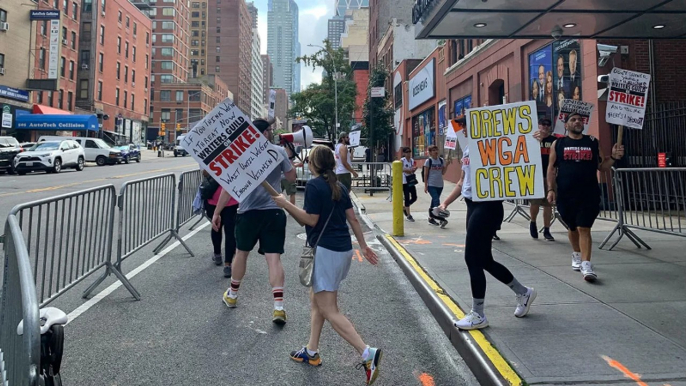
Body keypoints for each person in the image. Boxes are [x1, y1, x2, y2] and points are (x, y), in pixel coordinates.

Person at [273, 146, 383, 385]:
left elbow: (310, 219)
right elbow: (352, 218)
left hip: (325, 252)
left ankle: (367, 353)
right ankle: (311, 351)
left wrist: (285, 203)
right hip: (342, 250)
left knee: (330, 309)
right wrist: (363, 246)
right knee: (317, 301)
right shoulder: (340, 186)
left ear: (313, 163)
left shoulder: (314, 186)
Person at [438, 117, 536, 330]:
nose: (462, 129)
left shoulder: (493, 146)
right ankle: (523, 292)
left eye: (466, 125)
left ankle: (479, 314)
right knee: (484, 260)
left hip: (488, 206)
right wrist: (444, 202)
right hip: (472, 205)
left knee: (472, 258)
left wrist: (533, 140)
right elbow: (462, 182)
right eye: (462, 126)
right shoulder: (467, 149)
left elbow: (518, 153)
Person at [213, 118, 296, 324]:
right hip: (273, 212)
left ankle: (232, 295)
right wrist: (289, 158)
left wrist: (217, 212)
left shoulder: (240, 156)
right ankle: (278, 307)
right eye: (269, 130)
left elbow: (228, 188)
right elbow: (292, 177)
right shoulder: (277, 152)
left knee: (241, 254)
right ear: (265, 133)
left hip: (248, 213)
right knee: (274, 259)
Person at [544, 111, 624, 282]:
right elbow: (551, 168)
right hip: (566, 193)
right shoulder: (559, 144)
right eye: (573, 120)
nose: (577, 122)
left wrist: (614, 158)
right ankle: (576, 255)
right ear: (566, 125)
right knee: (572, 227)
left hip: (589, 192)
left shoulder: (592, 142)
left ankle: (587, 265)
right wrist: (551, 189)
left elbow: (602, 166)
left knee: (584, 227)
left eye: (580, 120)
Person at [203, 171, 239, 277]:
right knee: (230, 231)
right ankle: (228, 264)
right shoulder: (233, 160)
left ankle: (218, 254)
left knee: (216, 227)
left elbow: (205, 173)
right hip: (231, 200)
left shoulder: (212, 160)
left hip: (214, 198)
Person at [529, 118, 556, 241]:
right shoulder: (532, 139)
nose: (545, 127)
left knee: (548, 203)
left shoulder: (554, 141)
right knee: (535, 202)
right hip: (535, 175)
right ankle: (533, 222)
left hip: (549, 175)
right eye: (543, 124)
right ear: (538, 125)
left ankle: (546, 229)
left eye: (547, 124)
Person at [423, 145, 449, 228]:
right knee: (436, 200)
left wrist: (447, 165)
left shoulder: (441, 160)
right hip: (431, 184)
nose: (435, 151)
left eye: (436, 150)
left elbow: (443, 172)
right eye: (433, 150)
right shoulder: (428, 161)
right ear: (430, 152)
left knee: (433, 202)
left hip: (440, 184)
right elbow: (425, 174)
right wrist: (426, 185)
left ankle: (431, 218)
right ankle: (441, 219)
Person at [401, 147, 418, 222]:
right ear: (404, 153)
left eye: (409, 152)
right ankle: (408, 214)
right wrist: (408, 170)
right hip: (404, 181)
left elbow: (413, 168)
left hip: (410, 180)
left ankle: (405, 207)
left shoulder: (412, 160)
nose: (408, 153)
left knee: (414, 197)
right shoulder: (402, 160)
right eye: (407, 152)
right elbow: (401, 168)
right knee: (407, 197)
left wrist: (413, 169)